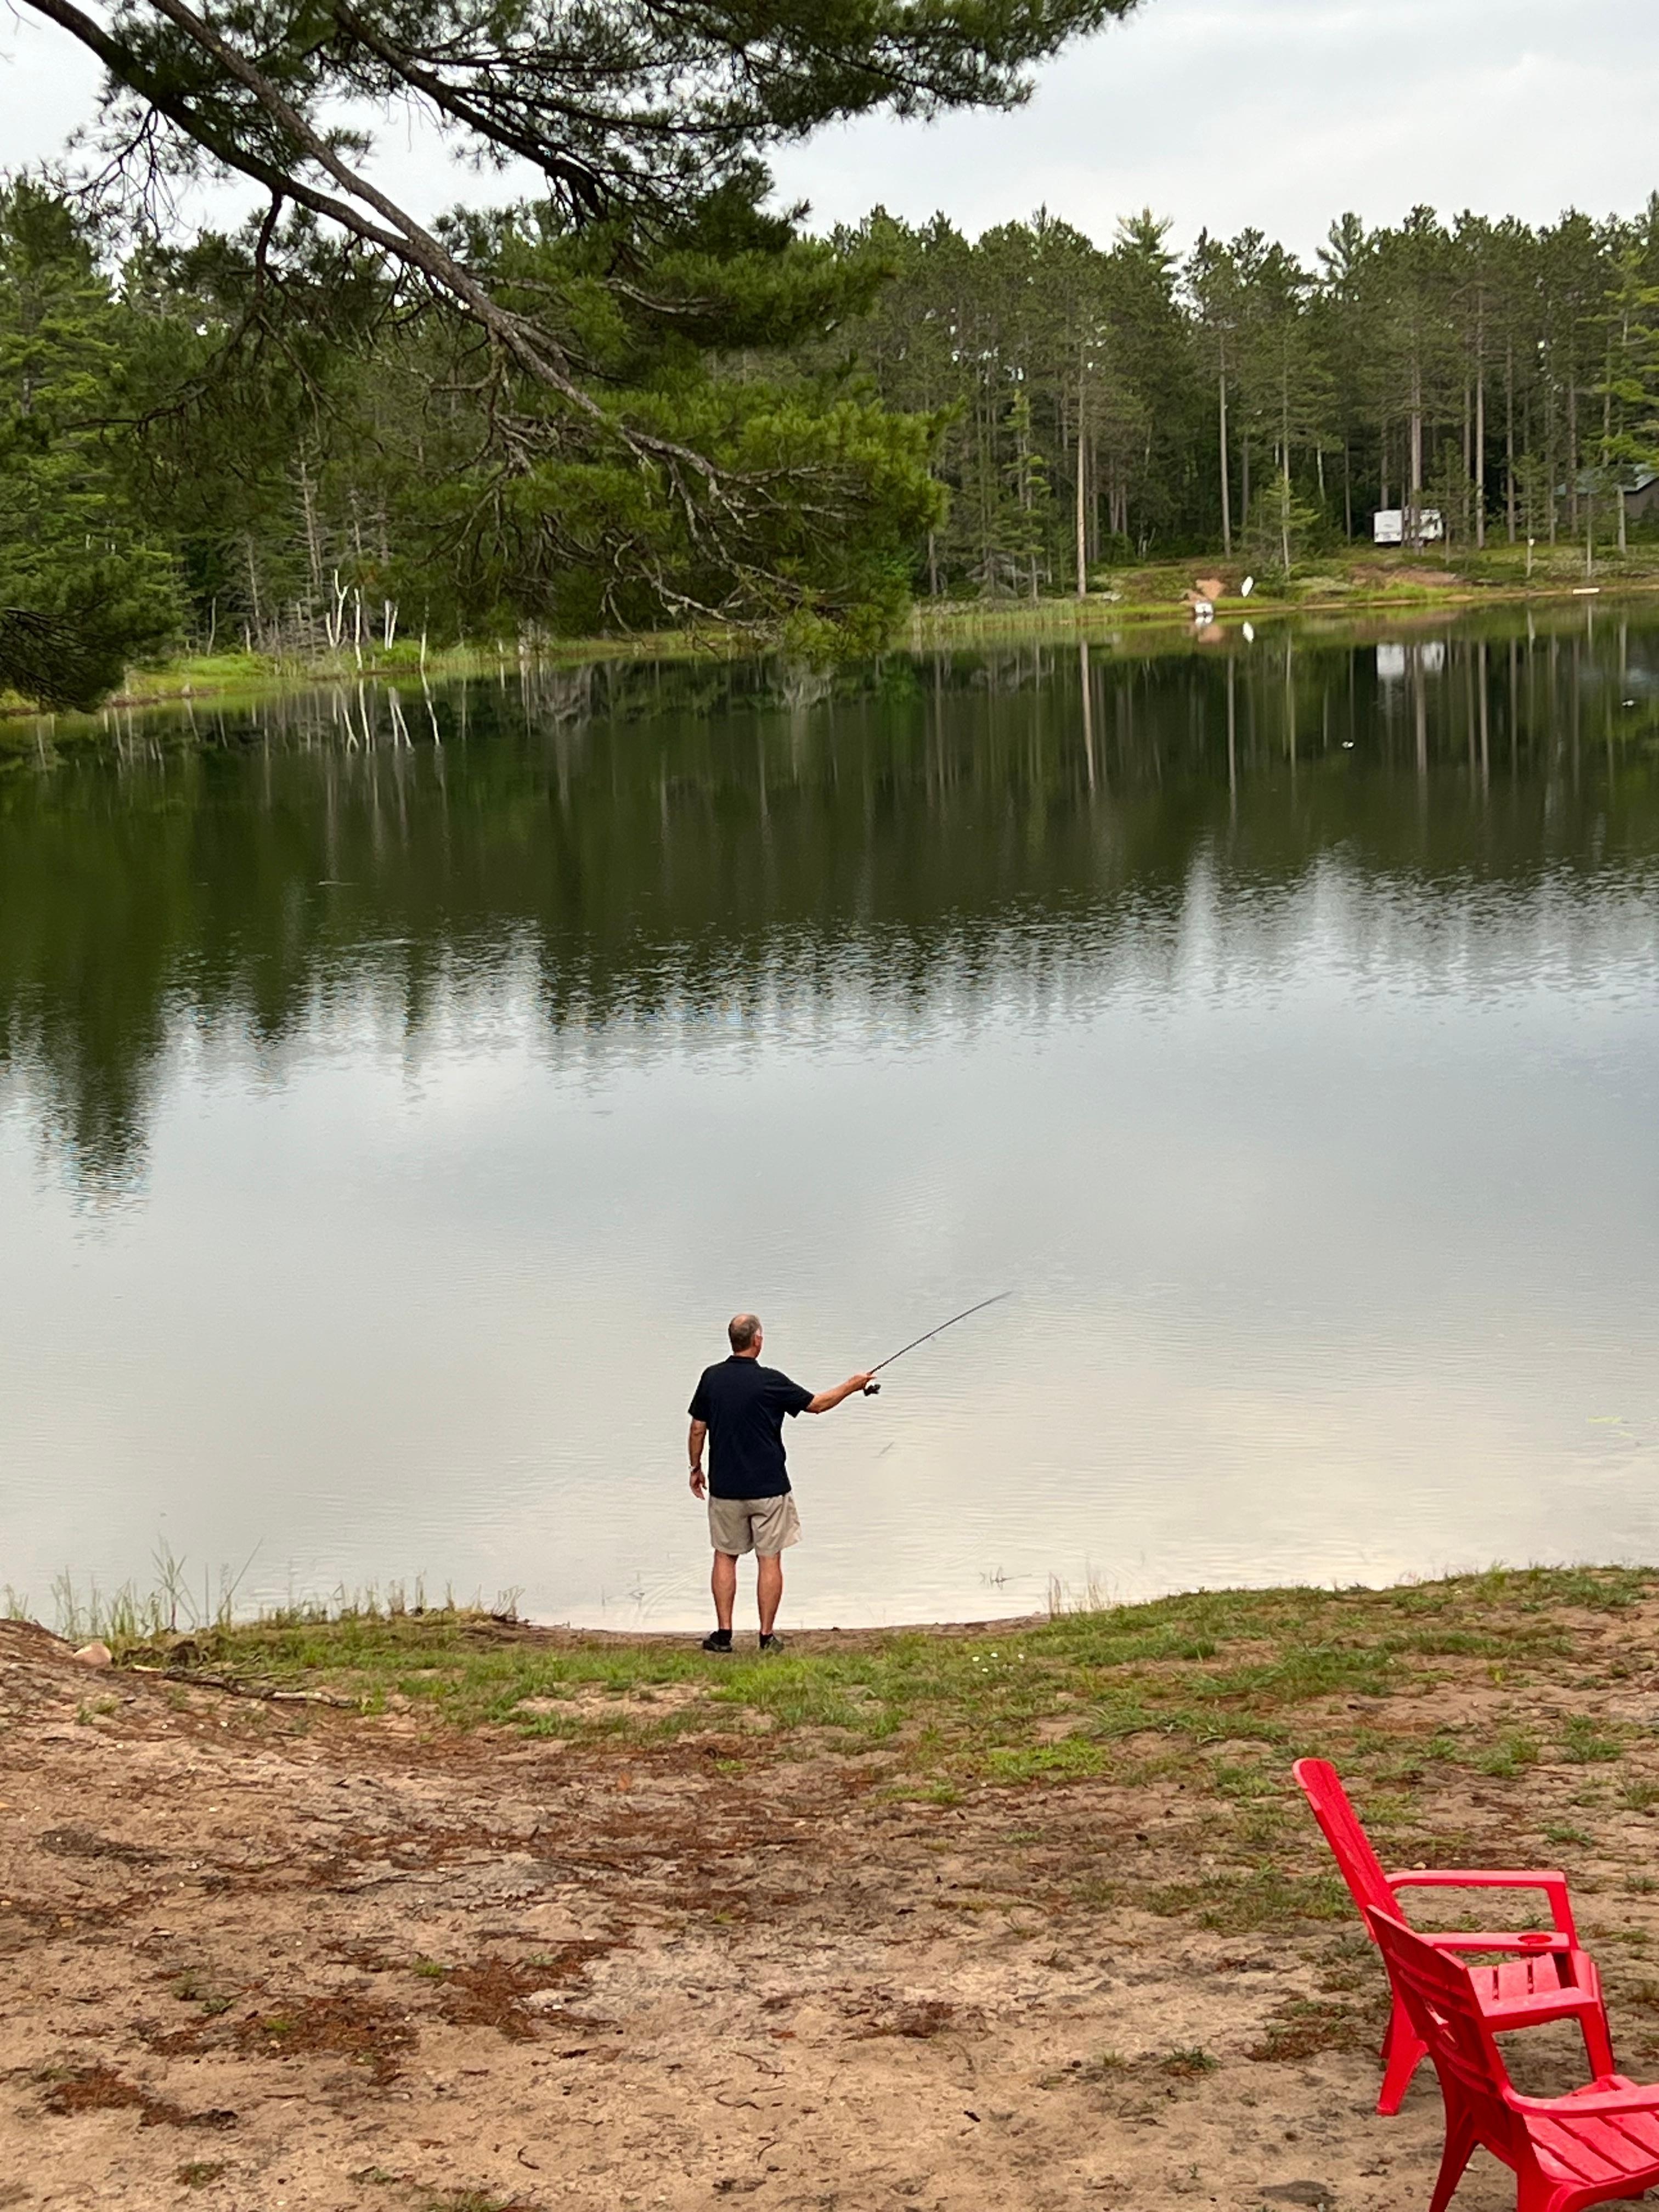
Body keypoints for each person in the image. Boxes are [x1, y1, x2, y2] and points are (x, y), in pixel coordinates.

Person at [687, 1313, 873, 1653]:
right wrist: (852, 1385)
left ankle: (724, 1636)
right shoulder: (770, 1381)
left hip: (726, 1489)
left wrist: (695, 1468)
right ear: (757, 1340)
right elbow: (817, 1405)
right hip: (770, 1489)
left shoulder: (711, 1378)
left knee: (725, 1556)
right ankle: (766, 1637)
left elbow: (698, 1428)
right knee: (769, 1558)